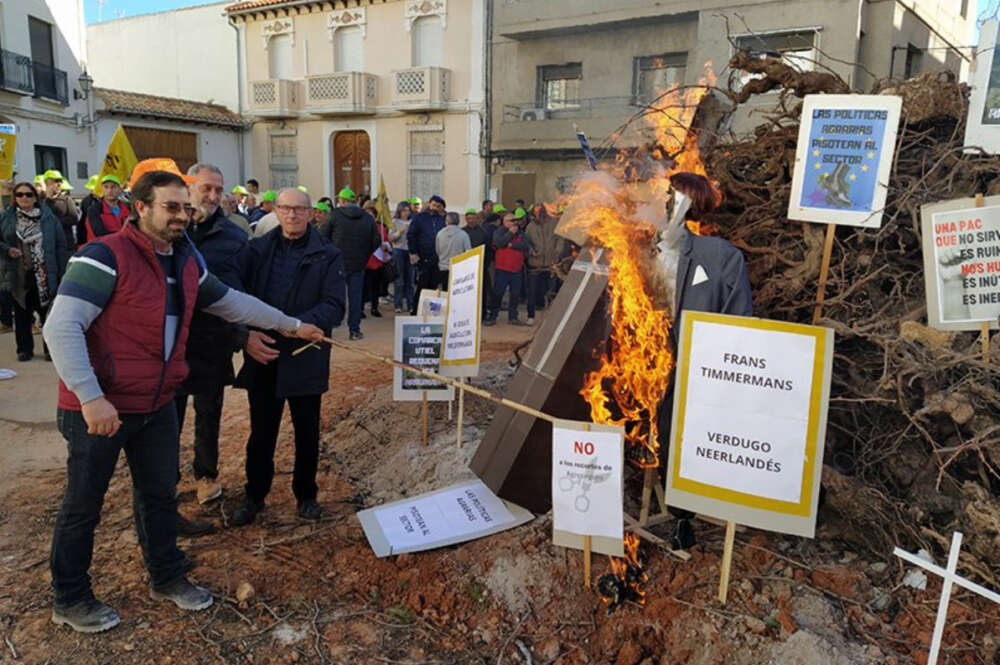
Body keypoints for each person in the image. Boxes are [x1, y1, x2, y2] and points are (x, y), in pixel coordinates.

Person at [42, 170, 324, 633]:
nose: (181, 216)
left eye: (185, 208)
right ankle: (70, 597)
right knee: (83, 506)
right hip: (99, 410)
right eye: (171, 207)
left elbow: (233, 303)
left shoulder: (185, 262)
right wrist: (91, 398)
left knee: (158, 497)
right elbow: (61, 327)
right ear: (142, 208)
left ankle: (167, 577)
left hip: (156, 404)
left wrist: (291, 324)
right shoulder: (103, 256)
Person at [232, 188, 345, 526]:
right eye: (286, 208)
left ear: (312, 213)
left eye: (299, 209)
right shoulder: (257, 250)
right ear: (275, 211)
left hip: (305, 352)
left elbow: (334, 305)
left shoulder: (328, 255)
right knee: (261, 432)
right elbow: (239, 297)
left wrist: (298, 327)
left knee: (307, 432)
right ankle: (254, 496)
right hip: (263, 352)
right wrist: (248, 334)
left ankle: (306, 496)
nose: (293, 215)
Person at [655, 171, 752, 549]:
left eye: (675, 198)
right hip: (638, 362)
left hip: (691, 366)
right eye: (665, 196)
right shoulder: (637, 250)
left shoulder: (721, 257)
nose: (666, 204)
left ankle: (681, 515)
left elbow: (739, 319)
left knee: (680, 437)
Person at [175, 163, 250, 507]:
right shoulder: (168, 231)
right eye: (206, 188)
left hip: (211, 342)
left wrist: (239, 336)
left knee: (208, 413)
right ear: (188, 188)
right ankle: (165, 479)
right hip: (170, 343)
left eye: (219, 190)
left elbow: (240, 290)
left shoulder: (234, 236)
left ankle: (206, 474)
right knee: (166, 416)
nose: (213, 196)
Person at [0, 182, 70, 361]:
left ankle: (50, 350)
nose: (24, 198)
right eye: (20, 194)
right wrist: (8, 249)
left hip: (45, 273)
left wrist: (62, 271)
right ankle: (24, 350)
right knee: (22, 313)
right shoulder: (6, 218)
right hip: (19, 272)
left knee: (48, 314)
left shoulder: (48, 218)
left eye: (29, 194)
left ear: (35, 197)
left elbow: (61, 245)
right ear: (15, 198)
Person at [320, 187, 379, 340]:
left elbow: (323, 238)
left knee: (335, 295)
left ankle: (334, 324)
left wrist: (331, 255)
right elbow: (376, 241)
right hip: (358, 264)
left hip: (337, 263)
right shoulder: (367, 217)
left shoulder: (334, 215)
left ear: (342, 201)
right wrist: (365, 255)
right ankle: (354, 330)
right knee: (355, 297)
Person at [486, 212, 530, 326]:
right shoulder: (499, 231)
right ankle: (492, 316)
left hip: (516, 269)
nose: (514, 222)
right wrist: (510, 233)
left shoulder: (521, 233)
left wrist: (512, 245)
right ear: (504, 222)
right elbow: (500, 243)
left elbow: (525, 245)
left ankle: (513, 317)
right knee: (498, 293)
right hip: (502, 269)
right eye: (511, 220)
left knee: (515, 294)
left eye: (515, 220)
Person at [524, 204, 564, 325]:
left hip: (550, 265)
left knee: (550, 292)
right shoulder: (530, 227)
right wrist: (531, 251)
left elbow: (560, 239)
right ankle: (531, 316)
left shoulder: (554, 223)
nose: (540, 214)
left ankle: (550, 317)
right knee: (532, 292)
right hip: (535, 265)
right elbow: (526, 242)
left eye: (542, 211)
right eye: (538, 212)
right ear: (534, 213)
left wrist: (557, 252)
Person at [407, 195, 446, 314]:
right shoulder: (420, 218)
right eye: (434, 205)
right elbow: (411, 235)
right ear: (429, 204)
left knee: (435, 286)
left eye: (438, 206)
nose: (435, 208)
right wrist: (413, 252)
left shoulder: (443, 219)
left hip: (439, 258)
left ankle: (431, 312)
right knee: (422, 285)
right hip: (423, 257)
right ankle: (416, 310)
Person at [83, 175, 130, 243]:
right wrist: (124, 236)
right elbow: (99, 233)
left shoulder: (128, 208)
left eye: (113, 187)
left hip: (124, 248)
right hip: (101, 249)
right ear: (102, 189)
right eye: (106, 187)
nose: (110, 190)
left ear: (120, 189)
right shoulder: (94, 209)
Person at [363, 204, 391, 318]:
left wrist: (386, 246)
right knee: (363, 287)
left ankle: (375, 307)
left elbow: (388, 243)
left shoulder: (381, 228)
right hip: (364, 261)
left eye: (372, 215)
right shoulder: (360, 227)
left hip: (377, 261)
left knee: (375, 287)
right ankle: (360, 308)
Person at [42, 170, 79, 251]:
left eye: (60, 181)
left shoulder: (66, 199)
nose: (59, 184)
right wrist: (48, 198)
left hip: (66, 242)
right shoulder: (42, 201)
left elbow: (74, 218)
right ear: (47, 184)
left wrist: (55, 222)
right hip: (48, 243)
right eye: (55, 181)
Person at [389, 201, 413, 313]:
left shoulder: (412, 222)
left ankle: (410, 304)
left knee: (410, 279)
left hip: (409, 251)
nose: (406, 213)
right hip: (398, 250)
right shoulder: (394, 222)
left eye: (408, 210)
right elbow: (391, 238)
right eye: (404, 210)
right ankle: (398, 304)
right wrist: (399, 232)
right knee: (399, 279)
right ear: (399, 211)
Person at [436, 211, 471, 288]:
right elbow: (468, 253)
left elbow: (437, 251)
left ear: (446, 221)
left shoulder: (440, 233)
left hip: (443, 267)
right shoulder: (463, 234)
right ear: (458, 221)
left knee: (445, 291)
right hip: (458, 268)